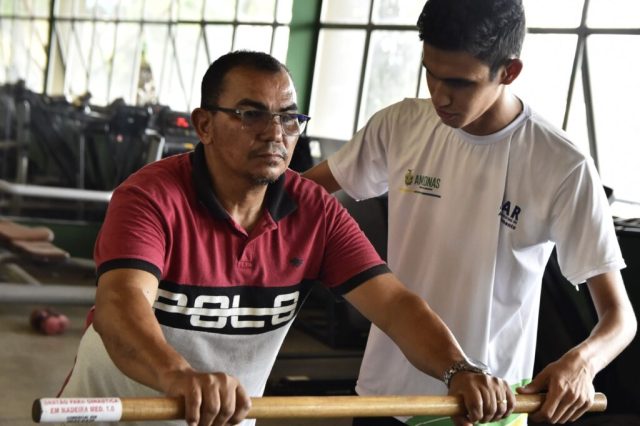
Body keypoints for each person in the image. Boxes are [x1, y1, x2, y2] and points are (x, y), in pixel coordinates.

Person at [59, 50, 516, 426]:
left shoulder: (315, 211)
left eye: (288, 117)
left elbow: (395, 306)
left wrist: (459, 369)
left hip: (222, 419)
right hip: (112, 414)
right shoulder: (150, 197)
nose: (275, 133)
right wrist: (178, 376)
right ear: (204, 125)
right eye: (250, 114)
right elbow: (121, 307)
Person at [303, 1, 637, 425]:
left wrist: (583, 363)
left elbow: (619, 317)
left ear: (509, 71)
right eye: (431, 72)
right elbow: (302, 195)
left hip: (487, 405)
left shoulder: (561, 165)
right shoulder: (400, 124)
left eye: (460, 82)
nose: (439, 96)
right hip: (387, 394)